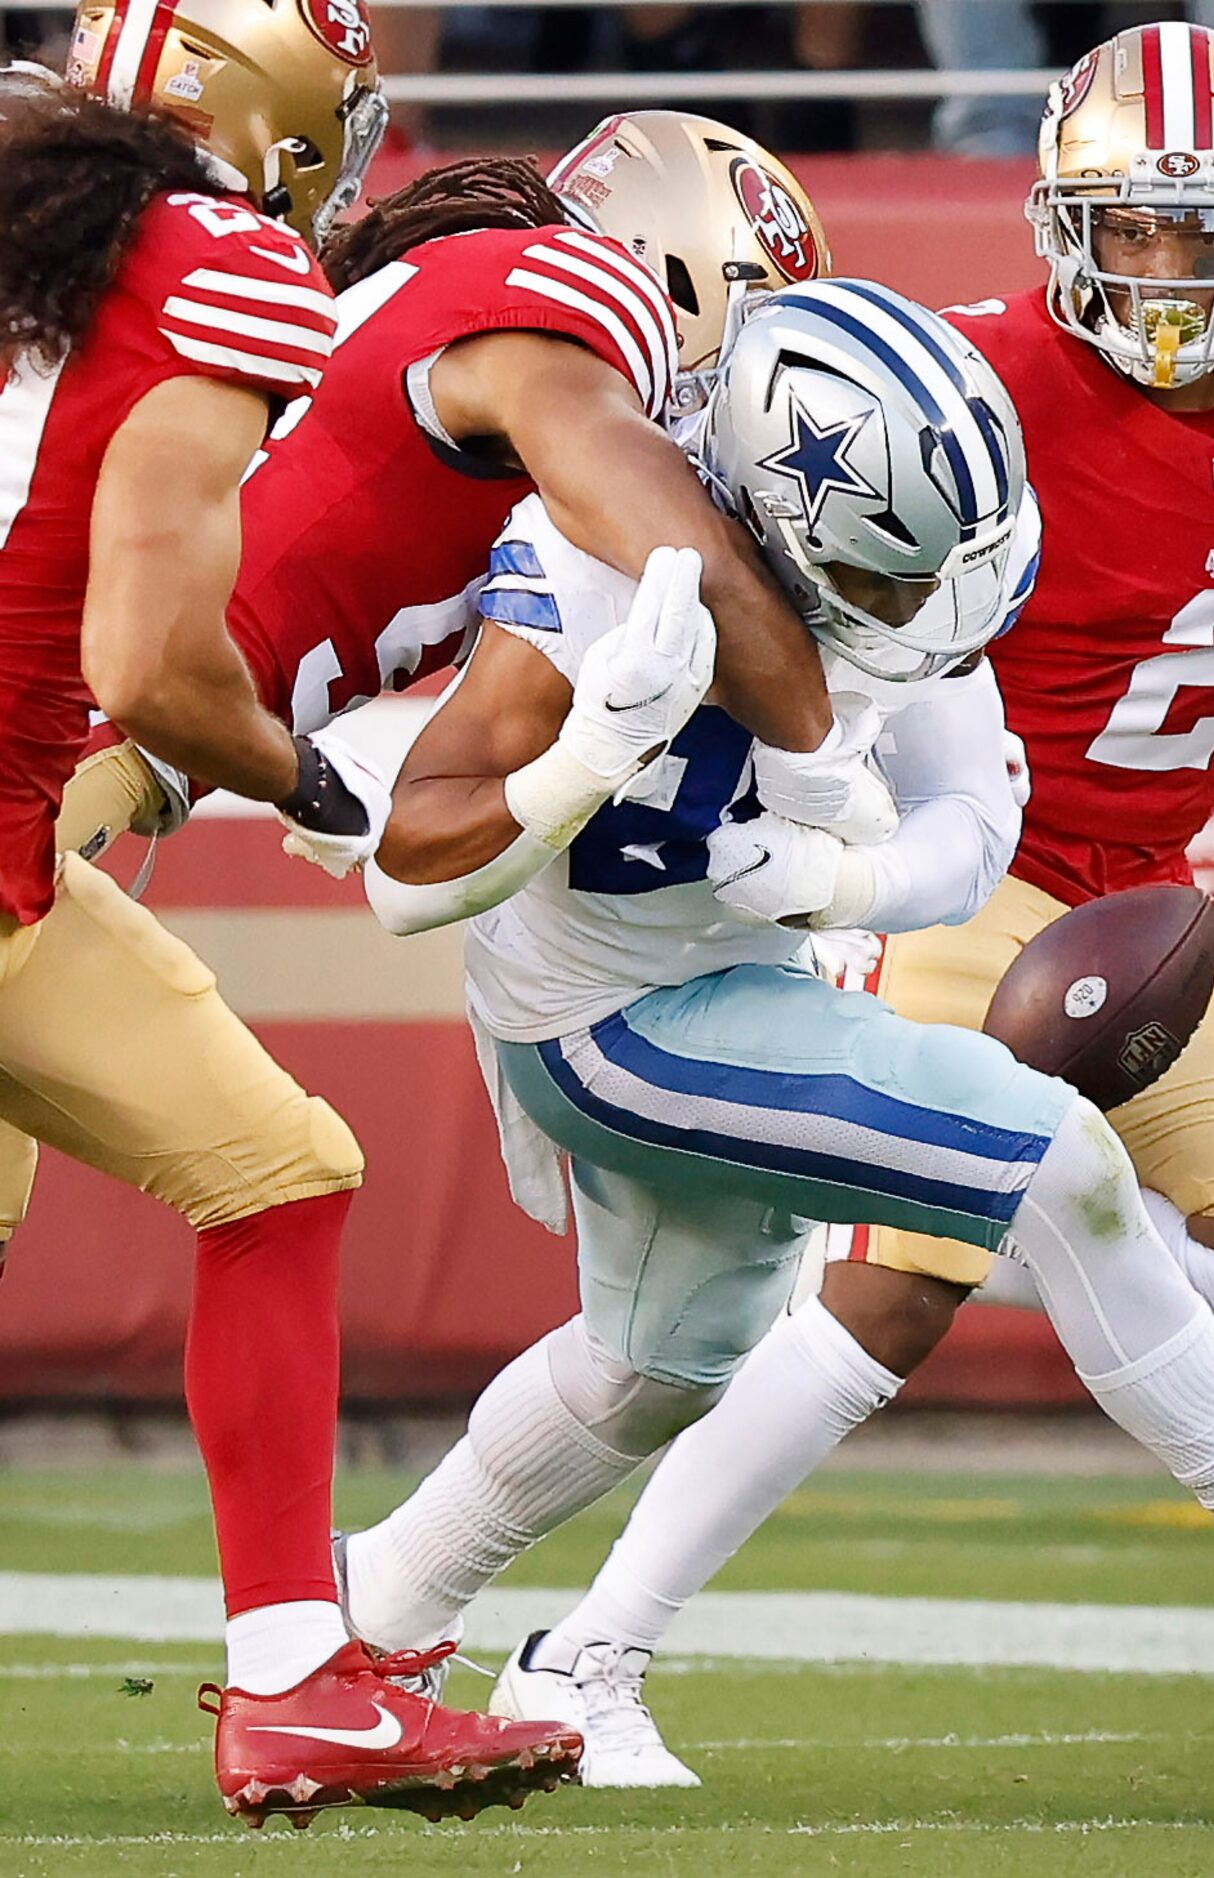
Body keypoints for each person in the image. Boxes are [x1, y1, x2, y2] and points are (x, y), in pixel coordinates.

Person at [333, 278, 1214, 1789]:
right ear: (784, 510)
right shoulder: (602, 577)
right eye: (896, 573)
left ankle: (371, 1612)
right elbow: (406, 875)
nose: (927, 608)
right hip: (611, 1014)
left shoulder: (881, 557)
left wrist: (831, 873)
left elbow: (974, 823)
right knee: (1055, 1159)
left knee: (652, 1361)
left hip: (743, 983)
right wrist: (591, 751)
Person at [0, 56, 583, 1824]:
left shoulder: (57, 237)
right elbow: (153, 664)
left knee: (279, 1166)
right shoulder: (212, 263)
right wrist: (304, 779)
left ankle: (296, 1682)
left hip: (24, 852)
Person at [6, 115, 867, 1235]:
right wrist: (828, 766)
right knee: (275, 1180)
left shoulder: (457, 302)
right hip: (75, 735)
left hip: (94, 737)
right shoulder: (565, 320)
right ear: (672, 266)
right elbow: (691, 564)